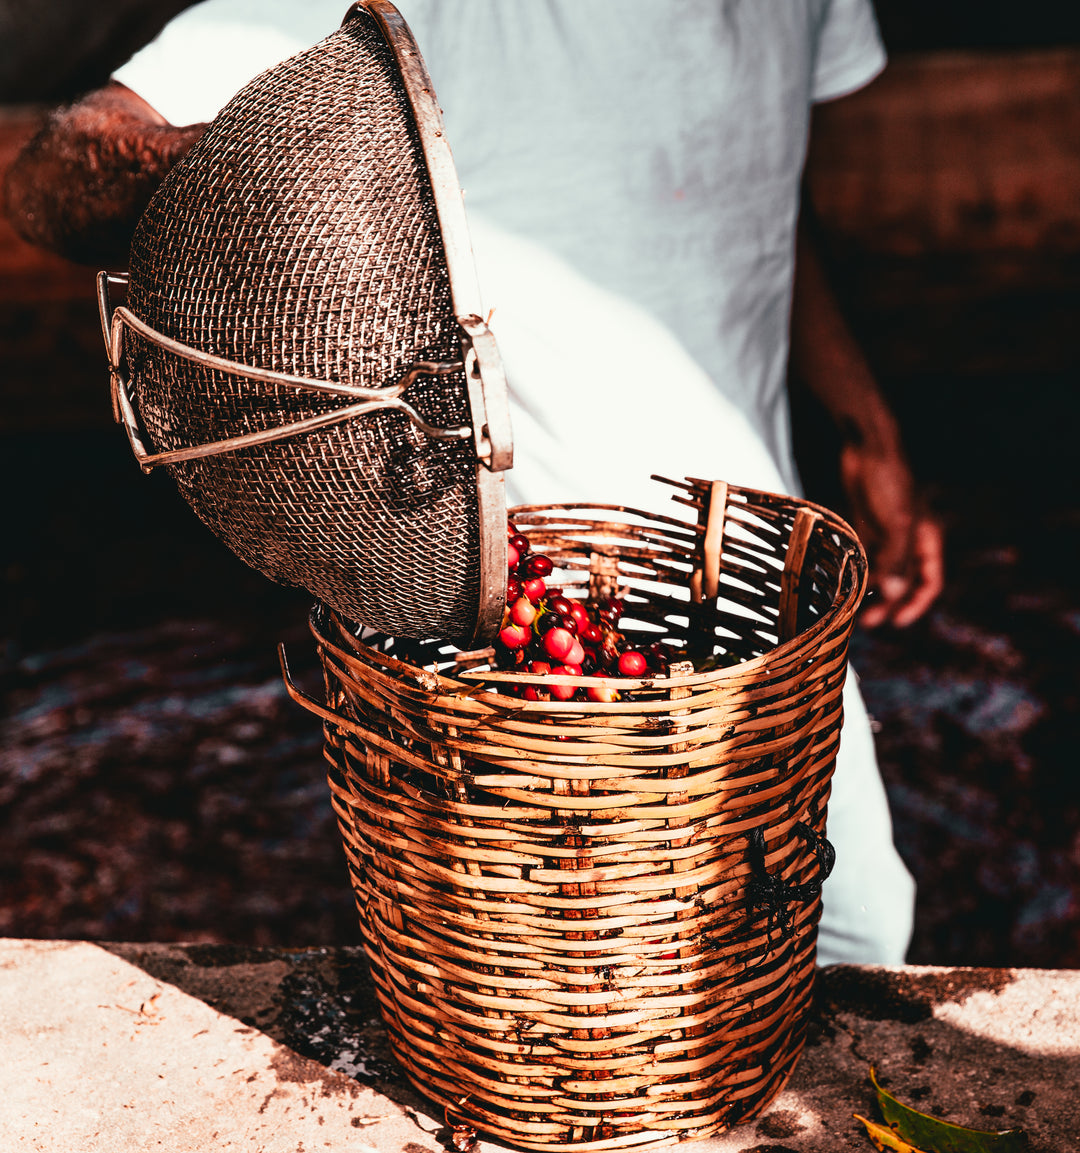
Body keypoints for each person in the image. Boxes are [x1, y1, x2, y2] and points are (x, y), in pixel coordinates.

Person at [3, 0, 943, 964]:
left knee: (848, 928)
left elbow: (759, 191)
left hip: (741, 570)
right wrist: (268, 175)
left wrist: (865, 426)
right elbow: (54, 178)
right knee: (611, 987)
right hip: (524, 618)